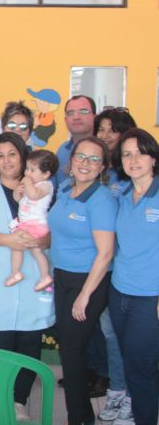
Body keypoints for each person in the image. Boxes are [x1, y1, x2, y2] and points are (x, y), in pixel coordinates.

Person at [0, 132, 54, 421]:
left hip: (33, 281)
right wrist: (9, 241)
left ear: (24, 156)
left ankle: (19, 401)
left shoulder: (44, 190)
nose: (6, 161)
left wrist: (42, 241)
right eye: (0, 155)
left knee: (29, 345)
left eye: (12, 154)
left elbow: (53, 232)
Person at [47, 136, 116, 425]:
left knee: (73, 352)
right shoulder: (65, 190)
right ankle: (82, 414)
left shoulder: (102, 200)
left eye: (94, 159)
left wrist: (85, 295)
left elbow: (106, 252)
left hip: (88, 282)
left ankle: (79, 418)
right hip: (62, 279)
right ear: (71, 160)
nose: (85, 164)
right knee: (70, 349)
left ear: (103, 167)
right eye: (81, 157)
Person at [109, 128, 159, 425]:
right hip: (120, 293)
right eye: (127, 154)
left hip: (150, 298)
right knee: (131, 362)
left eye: (140, 152)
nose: (133, 159)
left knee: (142, 367)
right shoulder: (123, 194)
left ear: (153, 157)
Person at [93, 108, 138, 423]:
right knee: (110, 331)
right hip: (107, 269)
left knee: (132, 336)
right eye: (103, 129)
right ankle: (118, 390)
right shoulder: (101, 171)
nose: (107, 135)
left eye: (113, 129)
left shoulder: (137, 177)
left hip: (133, 271)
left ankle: (134, 396)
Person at [5, 150, 58, 291]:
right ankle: (25, 274)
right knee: (26, 249)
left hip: (36, 224)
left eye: (33, 170)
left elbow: (34, 196)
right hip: (26, 223)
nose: (27, 173)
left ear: (46, 174)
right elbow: (20, 201)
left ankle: (40, 275)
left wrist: (27, 184)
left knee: (27, 249)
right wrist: (17, 193)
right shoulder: (31, 185)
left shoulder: (46, 185)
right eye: (27, 169)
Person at [94, 107, 137, 197]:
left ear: (125, 134)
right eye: (101, 130)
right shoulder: (92, 164)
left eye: (112, 131)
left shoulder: (134, 167)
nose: (105, 136)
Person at [56, 95, 96, 183]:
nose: (76, 117)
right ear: (65, 120)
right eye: (71, 113)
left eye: (83, 111)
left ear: (95, 117)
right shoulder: (62, 150)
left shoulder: (104, 149)